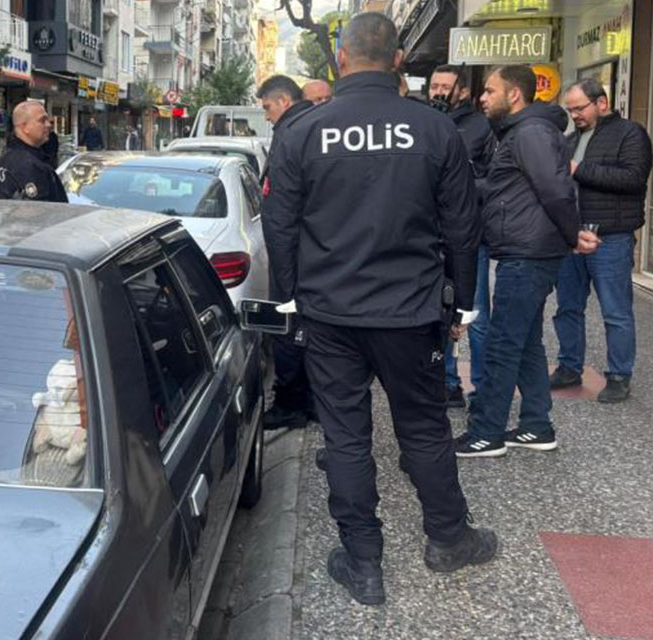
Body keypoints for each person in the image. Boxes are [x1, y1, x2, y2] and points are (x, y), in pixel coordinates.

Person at [262, 12, 496, 606]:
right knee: (423, 427)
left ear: (339, 60)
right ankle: (447, 538)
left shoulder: (303, 129)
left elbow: (280, 222)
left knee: (345, 435)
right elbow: (463, 227)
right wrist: (464, 303)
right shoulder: (434, 128)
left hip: (330, 313)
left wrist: (289, 297)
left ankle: (364, 563)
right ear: (398, 60)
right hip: (410, 310)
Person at [456, 66, 600, 458]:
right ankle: (537, 425)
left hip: (528, 253)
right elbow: (510, 186)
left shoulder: (531, 132)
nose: (482, 98)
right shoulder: (520, 132)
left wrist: (573, 236)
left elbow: (555, 190)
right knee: (527, 344)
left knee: (503, 343)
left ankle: (486, 432)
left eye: (489, 91)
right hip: (526, 249)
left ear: (514, 95)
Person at [551, 78, 653, 403]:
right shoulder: (569, 139)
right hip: (572, 236)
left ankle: (619, 375)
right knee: (567, 307)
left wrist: (578, 169)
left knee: (615, 310)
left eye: (579, 108)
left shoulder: (630, 133)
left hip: (610, 237)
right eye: (570, 110)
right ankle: (569, 367)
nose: (575, 115)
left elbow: (633, 178)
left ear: (602, 103)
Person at [428, 64, 493, 408]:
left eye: (445, 86)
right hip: (431, 236)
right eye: (433, 85)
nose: (438, 92)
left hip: (468, 237)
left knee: (474, 315)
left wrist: (459, 184)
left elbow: (492, 180)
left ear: (463, 91)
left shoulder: (480, 126)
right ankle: (447, 384)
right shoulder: (425, 121)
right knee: (439, 312)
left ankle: (482, 389)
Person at [256, 74, 316, 431]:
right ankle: (309, 402)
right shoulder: (315, 126)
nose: (266, 116)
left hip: (293, 256)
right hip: (313, 251)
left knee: (288, 330)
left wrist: (285, 280)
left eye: (267, 107)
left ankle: (291, 404)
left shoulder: (290, 134)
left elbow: (278, 214)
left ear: (284, 102)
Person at [0, 101, 69, 202]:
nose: (48, 125)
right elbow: (39, 213)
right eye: (42, 120)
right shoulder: (31, 167)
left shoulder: (6, 159)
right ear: (25, 127)